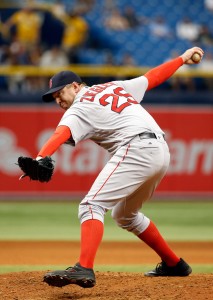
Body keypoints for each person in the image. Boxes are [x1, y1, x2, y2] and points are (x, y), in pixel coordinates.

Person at [20, 46, 204, 288]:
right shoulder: (113, 87)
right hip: (160, 150)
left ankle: (84, 268)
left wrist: (41, 156)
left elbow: (61, 132)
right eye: (53, 97)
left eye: (59, 92)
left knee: (91, 205)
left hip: (137, 147)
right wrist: (181, 59)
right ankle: (174, 264)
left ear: (75, 86)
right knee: (125, 215)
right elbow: (151, 78)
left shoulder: (79, 106)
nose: (58, 99)